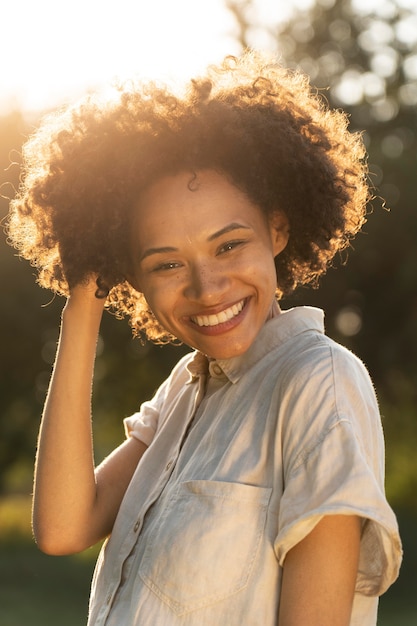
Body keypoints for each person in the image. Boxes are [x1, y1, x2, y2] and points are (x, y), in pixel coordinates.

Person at [7, 51, 401, 626]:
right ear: (132, 277)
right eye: (166, 265)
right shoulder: (183, 392)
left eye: (228, 245)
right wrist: (81, 309)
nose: (208, 288)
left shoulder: (319, 382)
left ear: (279, 228)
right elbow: (64, 528)